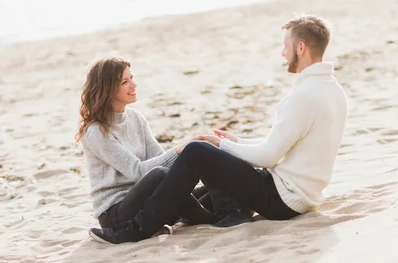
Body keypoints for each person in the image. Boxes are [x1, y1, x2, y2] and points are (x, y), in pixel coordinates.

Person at [89, 14, 348, 244]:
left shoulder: (301, 97)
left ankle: (137, 229)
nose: (283, 54)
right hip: (298, 194)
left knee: (196, 152)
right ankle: (228, 212)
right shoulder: (333, 92)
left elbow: (269, 156)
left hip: (282, 199)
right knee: (204, 177)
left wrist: (220, 145)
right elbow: (281, 144)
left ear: (300, 48)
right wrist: (235, 142)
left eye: (286, 47)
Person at [77, 57, 228, 233]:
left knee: (208, 190)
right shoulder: (96, 132)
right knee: (159, 175)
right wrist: (180, 150)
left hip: (151, 200)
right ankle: (205, 218)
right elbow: (139, 172)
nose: (134, 85)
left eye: (132, 78)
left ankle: (206, 212)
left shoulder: (135, 117)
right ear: (108, 89)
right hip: (116, 213)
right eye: (125, 82)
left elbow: (161, 159)